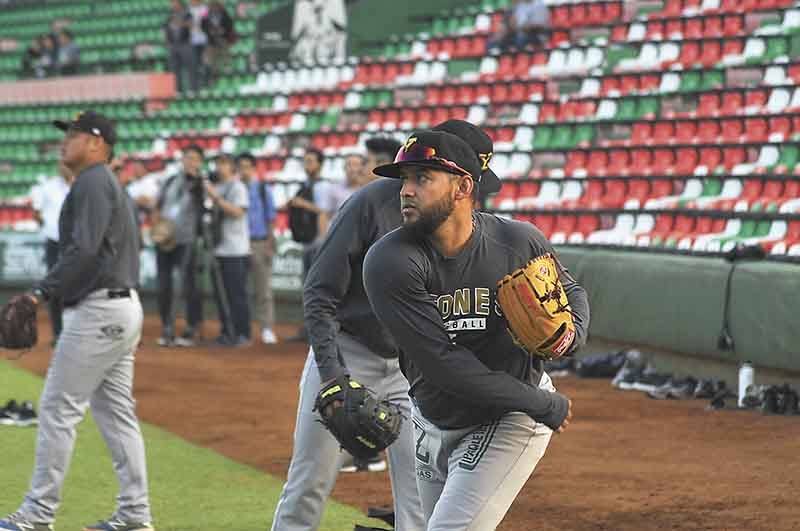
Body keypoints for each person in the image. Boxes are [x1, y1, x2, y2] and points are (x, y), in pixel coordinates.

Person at [362, 128, 589, 530]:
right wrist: (544, 404)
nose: (406, 190)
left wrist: (570, 337)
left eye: (423, 178)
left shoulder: (516, 240)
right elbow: (443, 364)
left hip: (507, 415)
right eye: (405, 179)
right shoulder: (391, 261)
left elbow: (570, 292)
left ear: (463, 186)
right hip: (431, 416)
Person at [0, 111, 154, 531]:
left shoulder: (92, 180)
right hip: (120, 309)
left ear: (97, 143)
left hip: (101, 310)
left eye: (73, 133)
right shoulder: (101, 182)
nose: (64, 140)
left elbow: (84, 252)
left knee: (56, 408)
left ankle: (36, 514)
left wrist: (39, 292)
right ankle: (135, 515)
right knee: (116, 414)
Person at [284, 148, 342, 342]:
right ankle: (309, 330)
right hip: (309, 242)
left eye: (310, 161)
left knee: (318, 290)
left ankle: (318, 333)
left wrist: (301, 204)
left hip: (320, 243)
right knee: (309, 288)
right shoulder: (306, 184)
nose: (307, 165)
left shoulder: (323, 186)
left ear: (319, 164)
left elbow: (324, 212)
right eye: (305, 161)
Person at [152, 144, 205, 347]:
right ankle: (167, 326)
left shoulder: (201, 184)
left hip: (186, 239)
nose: (190, 162)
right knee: (163, 284)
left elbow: (204, 207)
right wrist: (157, 229)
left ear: (200, 162)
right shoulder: (170, 181)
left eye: (194, 158)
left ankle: (192, 327)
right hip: (165, 238)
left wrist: (198, 183)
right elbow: (157, 207)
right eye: (187, 157)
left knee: (188, 284)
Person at [205, 153, 251, 346]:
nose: (219, 167)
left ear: (232, 166)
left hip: (235, 249)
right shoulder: (217, 187)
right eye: (217, 163)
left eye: (223, 163)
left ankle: (242, 333)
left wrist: (215, 197)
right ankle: (227, 331)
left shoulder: (237, 187)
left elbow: (238, 212)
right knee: (221, 295)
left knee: (236, 293)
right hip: (219, 248)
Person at [29, 163, 74, 345]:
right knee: (54, 287)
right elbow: (37, 212)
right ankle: (58, 332)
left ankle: (73, 332)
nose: (65, 167)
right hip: (54, 241)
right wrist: (48, 227)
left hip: (75, 243)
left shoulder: (80, 185)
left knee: (76, 286)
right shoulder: (48, 187)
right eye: (62, 164)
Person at [238, 152, 278, 345]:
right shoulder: (235, 189)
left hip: (259, 242)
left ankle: (267, 328)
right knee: (240, 289)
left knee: (263, 289)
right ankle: (242, 329)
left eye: (247, 166)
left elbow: (271, 218)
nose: (243, 170)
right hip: (237, 243)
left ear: (253, 169)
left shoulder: (262, 189)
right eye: (240, 166)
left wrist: (270, 242)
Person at [164, 0, 195, 92]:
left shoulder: (187, 14)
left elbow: (191, 25)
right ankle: (178, 90)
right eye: (172, 3)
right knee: (174, 68)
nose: (173, 5)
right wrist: (167, 41)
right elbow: (166, 28)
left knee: (190, 67)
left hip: (185, 44)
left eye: (174, 3)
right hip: (173, 45)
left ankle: (192, 89)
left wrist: (180, 23)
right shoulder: (170, 16)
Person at [201, 1, 235, 84]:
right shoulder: (206, 15)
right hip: (211, 41)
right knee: (212, 60)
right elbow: (203, 25)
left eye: (216, 6)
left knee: (225, 55)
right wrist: (210, 31)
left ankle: (228, 73)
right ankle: (214, 75)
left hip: (223, 39)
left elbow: (230, 24)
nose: (214, 8)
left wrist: (223, 30)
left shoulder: (224, 14)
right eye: (213, 6)